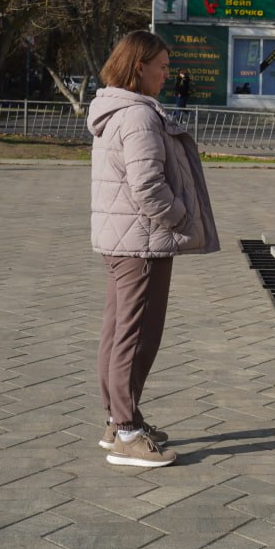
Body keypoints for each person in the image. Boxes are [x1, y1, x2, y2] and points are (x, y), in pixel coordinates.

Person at [88, 31, 220, 467]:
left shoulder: (116, 110)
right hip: (142, 242)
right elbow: (147, 185)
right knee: (137, 335)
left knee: (118, 331)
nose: (168, 74)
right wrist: (182, 217)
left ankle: (118, 420)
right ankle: (126, 431)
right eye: (162, 66)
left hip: (123, 240)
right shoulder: (139, 117)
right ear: (138, 66)